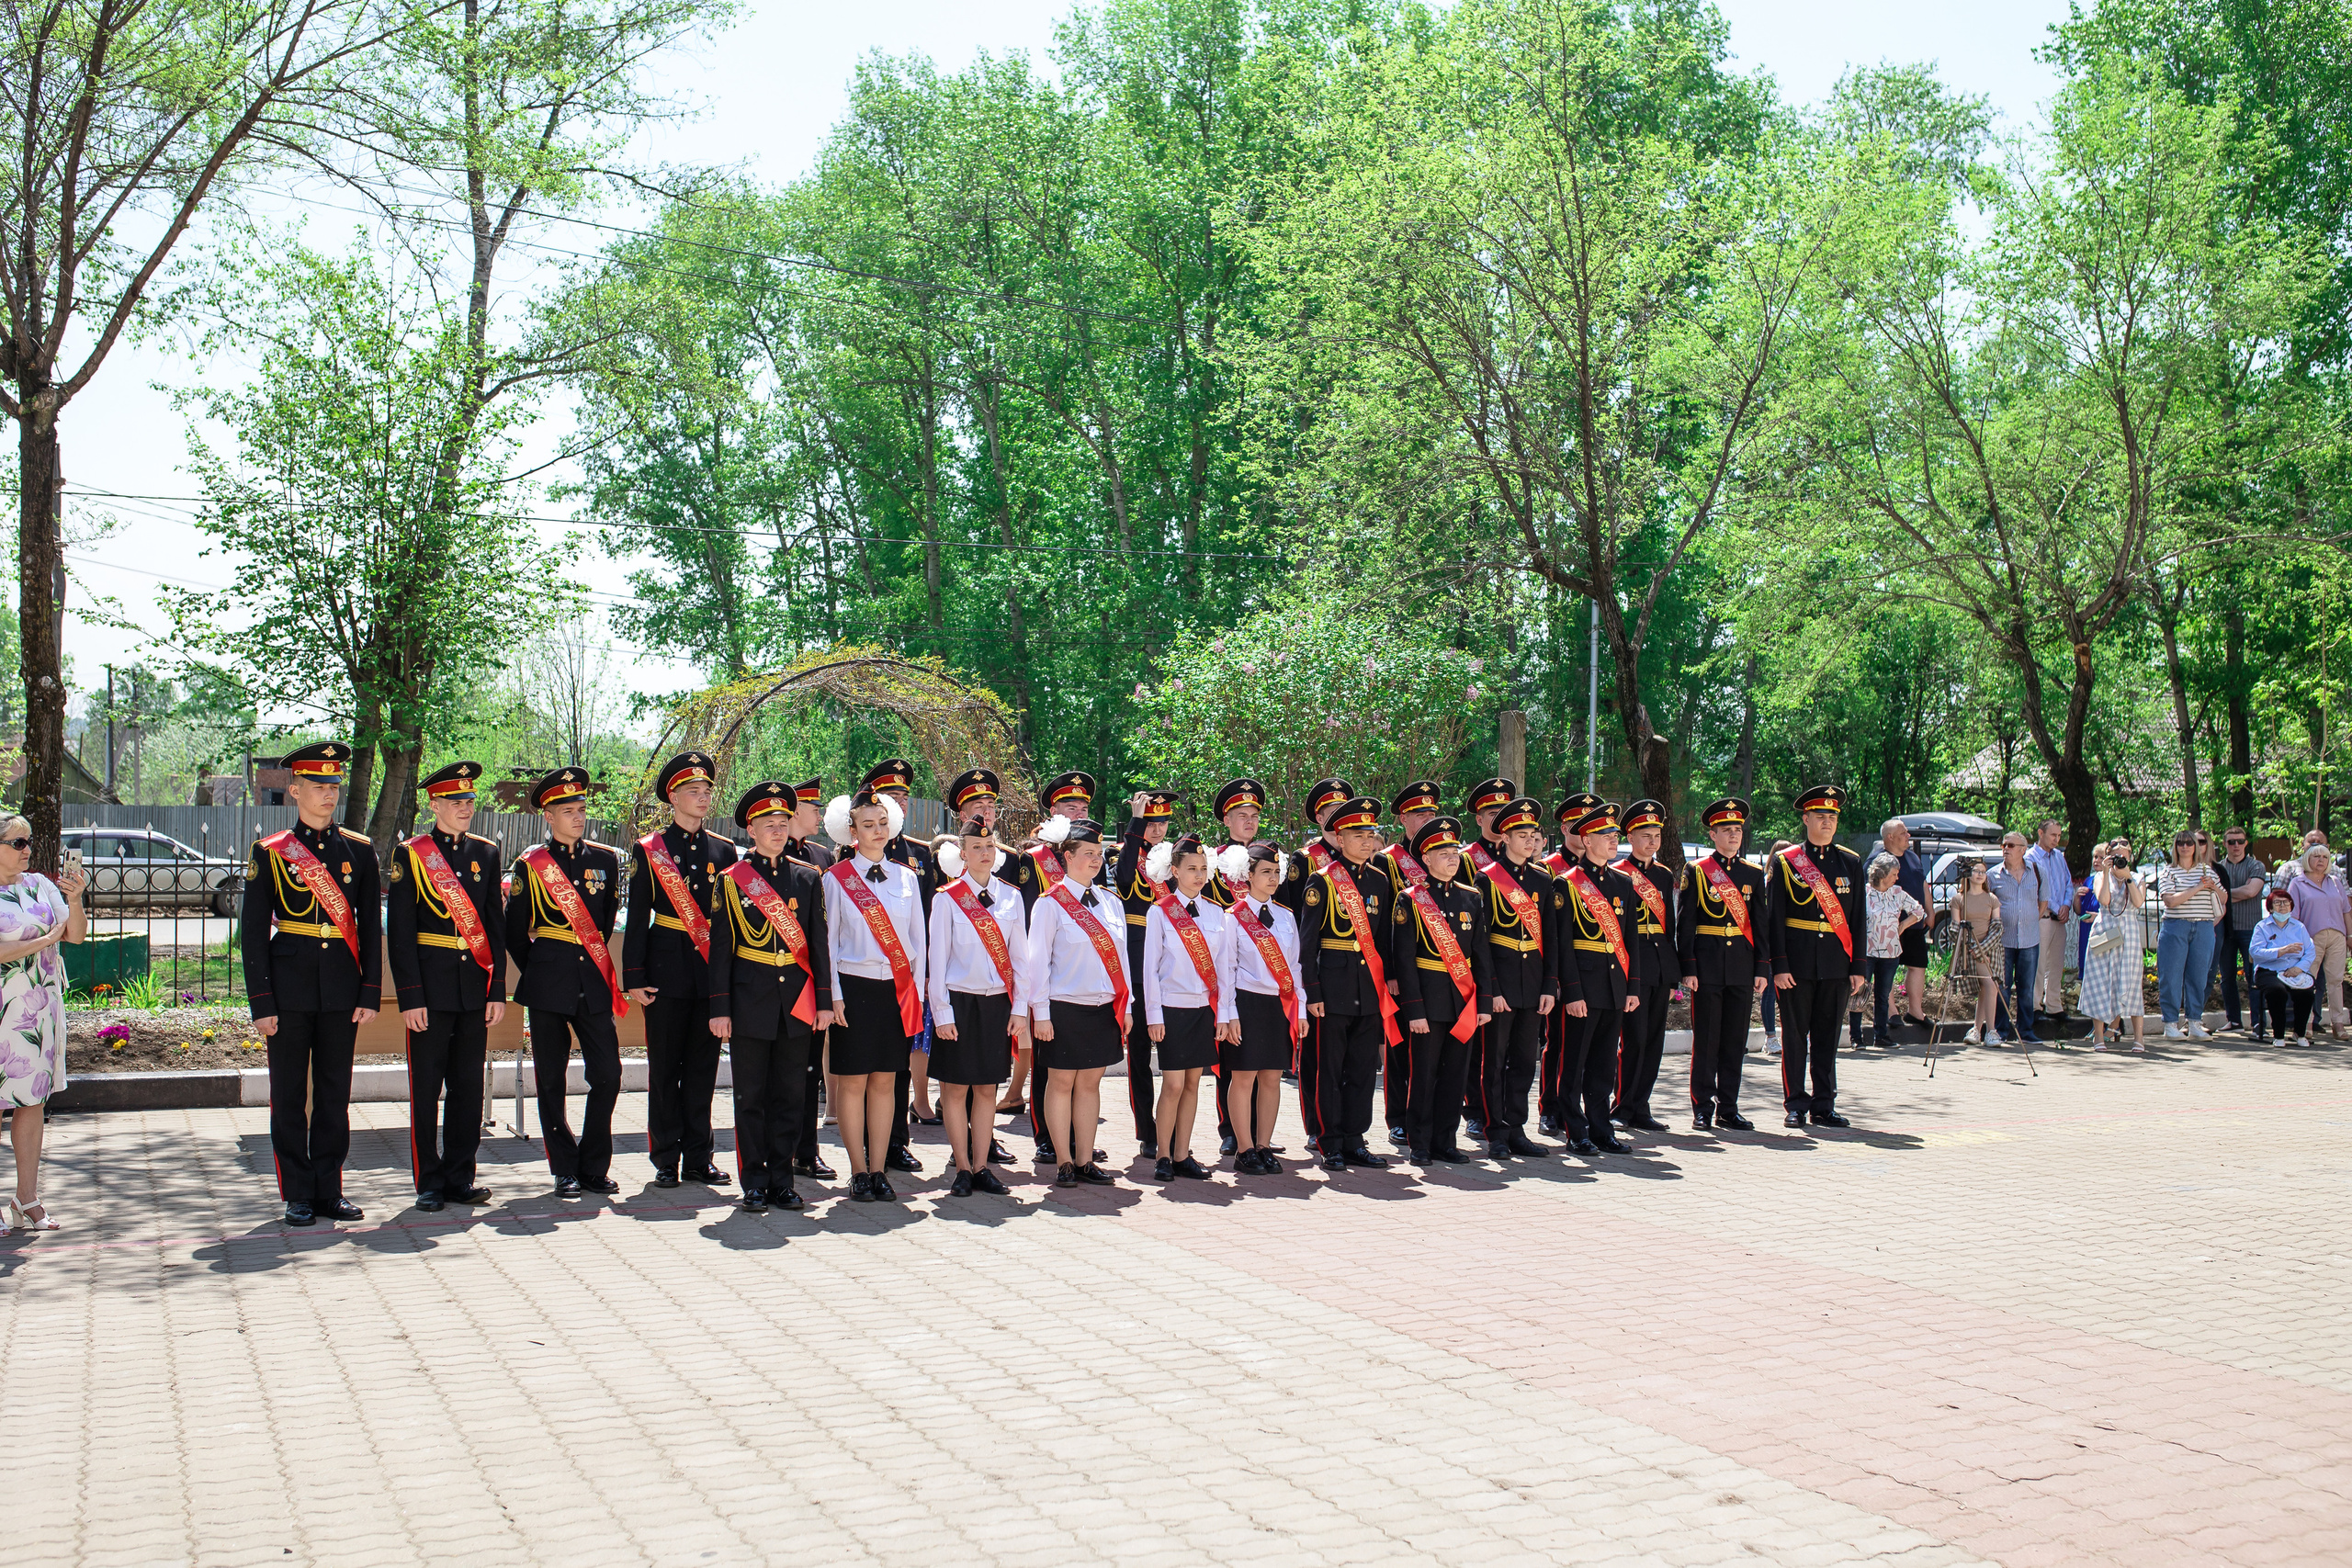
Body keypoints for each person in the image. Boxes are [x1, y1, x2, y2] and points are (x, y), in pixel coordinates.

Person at [243, 740, 382, 1225]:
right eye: (318, 785)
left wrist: (369, 991)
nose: (329, 793)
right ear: (295, 790)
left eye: (334, 785)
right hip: (289, 988)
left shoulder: (359, 851)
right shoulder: (271, 852)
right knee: (288, 1096)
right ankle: (297, 1192)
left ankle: (329, 1189)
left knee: (333, 1094)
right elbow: (253, 933)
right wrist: (262, 1001)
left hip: (341, 987)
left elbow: (370, 928)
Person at [386, 761, 505, 1213]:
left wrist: (496, 990)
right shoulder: (412, 854)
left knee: (468, 1089)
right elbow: (401, 932)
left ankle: (460, 1177)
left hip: (473, 988)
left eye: (470, 800)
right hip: (430, 992)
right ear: (434, 805)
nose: (465, 807)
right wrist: (410, 995)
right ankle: (428, 1181)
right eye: (456, 801)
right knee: (426, 1089)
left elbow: (493, 926)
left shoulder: (486, 853)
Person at [708, 781, 831, 1213]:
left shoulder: (807, 877)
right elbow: (720, 950)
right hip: (750, 1003)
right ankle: (755, 1182)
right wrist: (720, 1008)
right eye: (769, 825)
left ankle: (783, 1181)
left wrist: (823, 1002)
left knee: (790, 1096)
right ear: (752, 831)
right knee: (751, 1097)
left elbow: (818, 945)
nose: (778, 831)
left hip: (796, 1004)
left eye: (783, 823)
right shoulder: (732, 880)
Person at [506, 766, 627, 1199]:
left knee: (608, 1074)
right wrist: (542, 968)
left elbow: (606, 922)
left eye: (581, 809)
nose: (578, 817)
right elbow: (515, 932)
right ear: (549, 816)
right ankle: (564, 1168)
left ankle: (593, 1165)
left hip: (591, 981)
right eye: (569, 811)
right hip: (548, 984)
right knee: (551, 1081)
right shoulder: (531, 865)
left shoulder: (605, 861)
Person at [623, 750, 737, 1190]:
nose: (703, 797)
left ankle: (699, 1158)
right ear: (673, 797)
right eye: (693, 791)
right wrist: (635, 974)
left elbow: (726, 923)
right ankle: (666, 1159)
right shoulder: (650, 849)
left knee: (703, 1071)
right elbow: (637, 915)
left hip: (708, 974)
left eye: (707, 790)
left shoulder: (723, 850)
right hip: (665, 972)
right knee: (665, 1069)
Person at [821, 787, 929, 1202]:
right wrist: (834, 996)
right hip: (854, 988)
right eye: (868, 825)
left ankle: (880, 1169)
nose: (878, 831)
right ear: (852, 832)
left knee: (886, 1082)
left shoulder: (907, 878)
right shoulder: (836, 879)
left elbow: (918, 943)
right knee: (852, 1083)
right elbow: (829, 944)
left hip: (895, 991)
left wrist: (916, 994)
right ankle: (858, 1171)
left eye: (883, 823)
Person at [1019, 818, 1128, 1188]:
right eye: (1088, 853)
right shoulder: (1049, 904)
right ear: (1067, 856)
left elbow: (1123, 959)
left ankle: (1085, 1160)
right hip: (1063, 1007)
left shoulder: (1111, 903)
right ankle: (1063, 1161)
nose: (1096, 860)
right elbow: (1037, 963)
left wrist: (1127, 1007)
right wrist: (1041, 1013)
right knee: (1061, 1082)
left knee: (1090, 1085)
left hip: (1103, 1008)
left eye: (1099, 854)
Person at [1295, 795, 1401, 1171]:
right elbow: (1308, 942)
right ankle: (1330, 1141)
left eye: (1371, 834)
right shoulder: (1322, 880)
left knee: (1362, 1068)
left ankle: (1355, 1139)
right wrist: (1312, 990)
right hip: (1332, 987)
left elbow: (1384, 938)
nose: (1367, 841)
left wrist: (1388, 981)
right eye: (1358, 835)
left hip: (1368, 988)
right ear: (1339, 838)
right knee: (1329, 1068)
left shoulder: (1379, 880)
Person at [926, 811, 1026, 1198]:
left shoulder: (1012, 897)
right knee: (954, 1089)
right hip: (959, 1004)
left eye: (989, 846)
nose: (985, 852)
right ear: (963, 854)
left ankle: (982, 1166)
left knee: (987, 1089)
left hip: (996, 1004)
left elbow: (1020, 961)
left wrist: (1020, 1008)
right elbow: (937, 961)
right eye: (976, 847)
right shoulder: (947, 899)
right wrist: (941, 1013)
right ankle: (963, 1168)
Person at [0, 816, 86, 1232]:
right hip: (3, 1007)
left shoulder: (40, 885)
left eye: (28, 841)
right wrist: (44, 941)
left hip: (36, 1011)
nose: (27, 849)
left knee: (32, 1100)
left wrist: (75, 900)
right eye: (17, 842)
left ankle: (27, 1199)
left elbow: (76, 936)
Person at [1392, 816, 1495, 1163]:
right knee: (1424, 1074)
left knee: (1456, 1074)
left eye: (1455, 853)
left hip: (1462, 1001)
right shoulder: (1411, 899)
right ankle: (1420, 1143)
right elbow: (1404, 960)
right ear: (1426, 858)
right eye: (1443, 853)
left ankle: (1446, 1141)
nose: (1452, 859)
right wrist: (1414, 1009)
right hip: (1428, 1000)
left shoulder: (1471, 897)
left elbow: (1481, 955)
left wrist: (1483, 1003)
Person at [1763, 785, 1865, 1130]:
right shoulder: (1786, 862)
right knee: (1794, 1037)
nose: (1827, 822)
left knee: (1827, 1038)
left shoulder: (1851, 862)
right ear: (1806, 819)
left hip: (1836, 964)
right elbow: (1775, 918)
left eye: (1832, 816)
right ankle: (1795, 1104)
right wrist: (1779, 965)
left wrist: (1858, 966)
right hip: (1797, 964)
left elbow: (1858, 919)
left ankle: (1824, 1103)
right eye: (1820, 816)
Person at [1468, 795, 1556, 1160]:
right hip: (1501, 984)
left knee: (1523, 1061)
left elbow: (1551, 938)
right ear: (1504, 837)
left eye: (1533, 835)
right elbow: (1480, 942)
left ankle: (1517, 1128)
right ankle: (1496, 1132)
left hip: (1532, 983)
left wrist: (1549, 986)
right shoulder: (1487, 878)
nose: (1529, 841)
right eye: (1521, 835)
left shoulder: (1542, 879)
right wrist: (1492, 990)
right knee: (1493, 1061)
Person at [1140, 834, 1233, 1181]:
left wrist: (1223, 1014)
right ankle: (1162, 1155)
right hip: (1172, 1008)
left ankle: (1182, 1154)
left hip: (1203, 1010)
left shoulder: (1216, 912)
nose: (1199, 875)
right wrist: (1154, 1015)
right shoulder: (1159, 911)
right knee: (1174, 1085)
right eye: (1192, 868)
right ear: (1175, 871)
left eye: (1204, 869)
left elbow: (1223, 969)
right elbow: (1150, 968)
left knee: (1194, 1082)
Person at [1015, 769, 1095, 1156]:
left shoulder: (1090, 855)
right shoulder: (1035, 859)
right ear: (1053, 812)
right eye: (1070, 806)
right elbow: (1028, 919)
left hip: (1081, 974)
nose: (1078, 813)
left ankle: (1078, 1138)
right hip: (1048, 974)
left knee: (1082, 1066)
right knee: (1048, 1062)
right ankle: (1046, 1137)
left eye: (1083, 807)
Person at [1557, 802, 1645, 1156]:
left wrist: (1632, 987)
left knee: (1604, 1065)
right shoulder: (1567, 884)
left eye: (1614, 835)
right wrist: (1572, 991)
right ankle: (1575, 1131)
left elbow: (1631, 940)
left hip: (1614, 987)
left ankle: (1601, 1129)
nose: (1613, 840)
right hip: (1584, 987)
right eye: (1605, 835)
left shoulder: (1623, 883)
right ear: (1586, 840)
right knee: (1574, 1064)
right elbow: (1563, 945)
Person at [862, 758, 934, 1177]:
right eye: (891, 795)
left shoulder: (919, 854)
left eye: (904, 796)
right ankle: (867, 1144)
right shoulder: (850, 856)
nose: (900, 802)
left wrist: (924, 973)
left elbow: (925, 920)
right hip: (864, 975)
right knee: (867, 1067)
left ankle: (896, 1142)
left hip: (905, 976)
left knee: (900, 1063)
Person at [1217, 841, 1304, 1175]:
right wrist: (1229, 1014)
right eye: (1266, 872)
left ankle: (1264, 1145)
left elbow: (1294, 968)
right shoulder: (1233, 918)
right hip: (1246, 1003)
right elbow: (1226, 970)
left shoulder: (1286, 916)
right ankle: (1244, 1148)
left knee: (1271, 1077)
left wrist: (1299, 1010)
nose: (1273, 878)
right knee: (1243, 1077)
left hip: (1279, 1004)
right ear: (1248, 876)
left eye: (1276, 872)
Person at [1678, 797, 1762, 1132]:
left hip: (1741, 966)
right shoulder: (1698, 872)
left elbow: (1761, 925)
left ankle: (1729, 1106)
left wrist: (1762, 968)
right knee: (1707, 1041)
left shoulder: (1753, 874)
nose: (1733, 835)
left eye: (1737, 829)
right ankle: (1702, 1107)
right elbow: (1686, 923)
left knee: (1734, 1041)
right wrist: (1689, 967)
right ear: (1713, 835)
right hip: (1708, 967)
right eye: (1726, 830)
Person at [1203, 775, 1270, 1154]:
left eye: (1254, 816)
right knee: (1230, 1056)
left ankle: (1259, 1131)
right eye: (1241, 816)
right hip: (1227, 968)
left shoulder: (1268, 857)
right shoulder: (1212, 863)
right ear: (1226, 821)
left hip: (1264, 969)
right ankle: (1230, 1129)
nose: (1249, 822)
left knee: (1261, 1057)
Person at [1114, 786, 1179, 1155]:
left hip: (1173, 964)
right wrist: (1135, 826)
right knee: (1139, 1051)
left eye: (1162, 822)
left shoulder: (1175, 861)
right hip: (1138, 964)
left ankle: (1173, 1126)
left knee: (1174, 1053)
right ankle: (1147, 1131)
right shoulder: (1125, 854)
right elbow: (1124, 878)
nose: (1157, 829)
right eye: (1151, 822)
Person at [1380, 778, 1444, 1145]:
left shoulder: (1448, 856)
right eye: (1419, 815)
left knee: (1435, 1051)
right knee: (1400, 1047)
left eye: (1431, 814)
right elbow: (1381, 922)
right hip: (1402, 969)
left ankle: (1430, 1117)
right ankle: (1398, 1118)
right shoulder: (1388, 860)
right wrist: (1390, 972)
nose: (1426, 820)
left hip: (1442, 969)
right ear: (1403, 819)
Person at [781, 779, 839, 1185]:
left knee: (808, 1071)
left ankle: (807, 1151)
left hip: (809, 978)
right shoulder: (766, 854)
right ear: (795, 810)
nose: (819, 814)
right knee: (777, 1076)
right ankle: (778, 1154)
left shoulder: (821, 856)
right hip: (772, 979)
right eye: (813, 808)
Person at [1611, 798, 1679, 1133]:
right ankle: (1622, 1105)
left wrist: (1675, 969)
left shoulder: (1664, 876)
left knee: (1653, 1042)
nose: (1652, 842)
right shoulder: (1618, 873)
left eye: (1657, 836)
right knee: (1633, 1040)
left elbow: (1670, 925)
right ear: (1630, 837)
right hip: (1633, 964)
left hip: (1660, 964)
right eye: (1645, 835)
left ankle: (1641, 1106)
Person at [1533, 795, 1597, 1134]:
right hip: (1560, 971)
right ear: (1564, 829)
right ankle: (1549, 1108)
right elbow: (1546, 928)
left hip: (1593, 971)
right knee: (1556, 1042)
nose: (1583, 832)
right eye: (1576, 826)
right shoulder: (1548, 868)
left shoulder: (1600, 870)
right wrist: (1552, 975)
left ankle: (1579, 1108)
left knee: (1586, 1047)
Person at [2155, 829, 2224, 1040]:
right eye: (2180, 843)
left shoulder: (2207, 870)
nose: (2185, 846)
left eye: (2189, 842)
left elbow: (2224, 898)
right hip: (2176, 925)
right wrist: (2199, 887)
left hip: (2203, 926)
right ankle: (2170, 1024)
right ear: (2175, 846)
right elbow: (2170, 901)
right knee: (2171, 976)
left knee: (2199, 976)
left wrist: (2213, 887)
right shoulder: (2169, 871)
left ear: (2196, 846)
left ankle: (2195, 1022)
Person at [2080, 840, 2146, 1052]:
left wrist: (2127, 877)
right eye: (2115, 856)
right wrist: (2108, 872)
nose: (2120, 860)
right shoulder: (2101, 876)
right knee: (2099, 981)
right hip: (2105, 929)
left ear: (2130, 857)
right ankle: (2099, 1037)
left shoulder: (2137, 877)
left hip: (2129, 933)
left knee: (2132, 983)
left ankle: (2139, 1038)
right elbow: (2104, 900)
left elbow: (2138, 902)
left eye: (2123, 856)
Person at [1985, 832, 2047, 1044]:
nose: (2005, 848)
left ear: (2023, 849)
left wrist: (2030, 920)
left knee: (2026, 988)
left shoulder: (2037, 871)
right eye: (2003, 845)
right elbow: (1986, 906)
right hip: (2002, 941)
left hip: (2029, 939)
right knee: (2002, 987)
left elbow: (2043, 902)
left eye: (2011, 845)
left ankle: (2026, 1031)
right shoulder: (1993, 875)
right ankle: (2001, 1030)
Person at [1861, 853, 1926, 1048]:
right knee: (1860, 994)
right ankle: (1856, 1037)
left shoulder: (1897, 893)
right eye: (1894, 874)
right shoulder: (1864, 893)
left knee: (1882, 996)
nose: (1897, 878)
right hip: (1866, 952)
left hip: (1890, 952)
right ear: (1882, 874)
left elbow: (1919, 911)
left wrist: (1904, 925)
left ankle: (1881, 1036)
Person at [2287, 844, 2350, 1036]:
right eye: (2316, 856)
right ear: (2307, 859)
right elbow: (2293, 916)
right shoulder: (2298, 883)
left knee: (2336, 981)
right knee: (2307, 980)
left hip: (2337, 936)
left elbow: (2346, 910)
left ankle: (2338, 1024)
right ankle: (2305, 1024)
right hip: (2311, 938)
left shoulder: (2335, 882)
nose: (2321, 860)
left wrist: (2350, 935)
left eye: (2325, 857)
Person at [2212, 827, 2270, 1033]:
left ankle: (2258, 1023)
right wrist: (2237, 893)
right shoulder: (2217, 868)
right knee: (2227, 977)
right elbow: (2213, 896)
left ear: (2246, 843)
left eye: (2240, 841)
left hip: (2251, 930)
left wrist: (2223, 894)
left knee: (2253, 976)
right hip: (2225, 928)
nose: (2236, 845)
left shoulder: (2256, 865)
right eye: (2231, 842)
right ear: (2224, 844)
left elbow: (2251, 891)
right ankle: (2234, 1021)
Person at [1879, 818, 1933, 1028]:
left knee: (1918, 965)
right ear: (1890, 837)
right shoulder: (1879, 860)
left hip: (1915, 923)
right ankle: (1891, 1012)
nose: (1908, 836)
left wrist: (1930, 911)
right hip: (1890, 926)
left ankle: (1915, 1011)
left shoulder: (1912, 857)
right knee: (1887, 968)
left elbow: (1923, 884)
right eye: (1903, 833)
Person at [2250, 887, 2318, 1045]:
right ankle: (2278, 1036)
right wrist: (2281, 951)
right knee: (2277, 991)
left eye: (2286, 903)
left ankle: (2299, 1034)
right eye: (2278, 903)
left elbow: (2310, 951)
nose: (2282, 906)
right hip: (2269, 970)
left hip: (2294, 970)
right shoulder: (2262, 927)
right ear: (2270, 908)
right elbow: (2255, 952)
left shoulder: (2299, 927)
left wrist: (2299, 968)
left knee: (2306, 993)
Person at [1948, 856, 2004, 1044]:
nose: (1980, 875)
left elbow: (1997, 926)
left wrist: (1983, 948)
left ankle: (1985, 1030)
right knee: (1986, 986)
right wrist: (1971, 946)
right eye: (1976, 871)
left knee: (1988, 986)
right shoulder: (1959, 899)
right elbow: (1955, 928)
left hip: (1988, 950)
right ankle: (1983, 1030)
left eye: (1983, 872)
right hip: (1969, 950)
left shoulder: (1992, 899)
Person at [2027, 819, 2073, 1021]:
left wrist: (2066, 905)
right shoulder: (2031, 857)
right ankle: (2035, 1006)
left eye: (2059, 835)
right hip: (2043, 916)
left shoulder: (2059, 857)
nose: (2056, 839)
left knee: (2056, 964)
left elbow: (2068, 883)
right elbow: (2037, 888)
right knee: (2039, 964)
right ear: (2041, 833)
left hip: (2059, 919)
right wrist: (2056, 906)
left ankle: (2053, 1005)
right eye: (2053, 835)